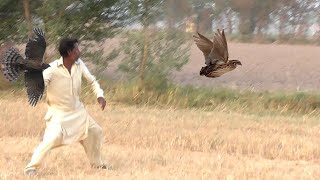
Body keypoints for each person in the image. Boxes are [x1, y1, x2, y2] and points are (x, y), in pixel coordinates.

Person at [24, 37, 109, 175]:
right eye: (77, 49)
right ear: (70, 52)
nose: (79, 51)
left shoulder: (79, 64)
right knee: (52, 138)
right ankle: (31, 167)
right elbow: (40, 82)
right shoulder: (51, 69)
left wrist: (100, 95)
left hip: (78, 112)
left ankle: (98, 164)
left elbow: (92, 81)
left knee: (95, 132)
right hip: (59, 114)